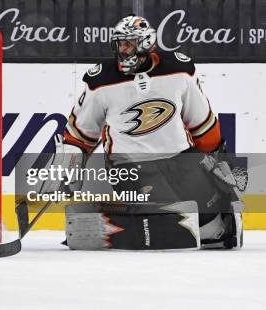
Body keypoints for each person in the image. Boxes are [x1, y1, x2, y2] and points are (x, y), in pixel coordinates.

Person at [58, 14, 244, 250]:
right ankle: (107, 219)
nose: (122, 50)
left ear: (145, 43)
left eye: (128, 44)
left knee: (215, 225)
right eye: (119, 44)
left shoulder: (179, 69)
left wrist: (218, 156)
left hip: (180, 157)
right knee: (175, 219)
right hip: (130, 166)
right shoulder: (100, 79)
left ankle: (123, 218)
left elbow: (202, 123)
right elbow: (79, 134)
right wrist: (69, 164)